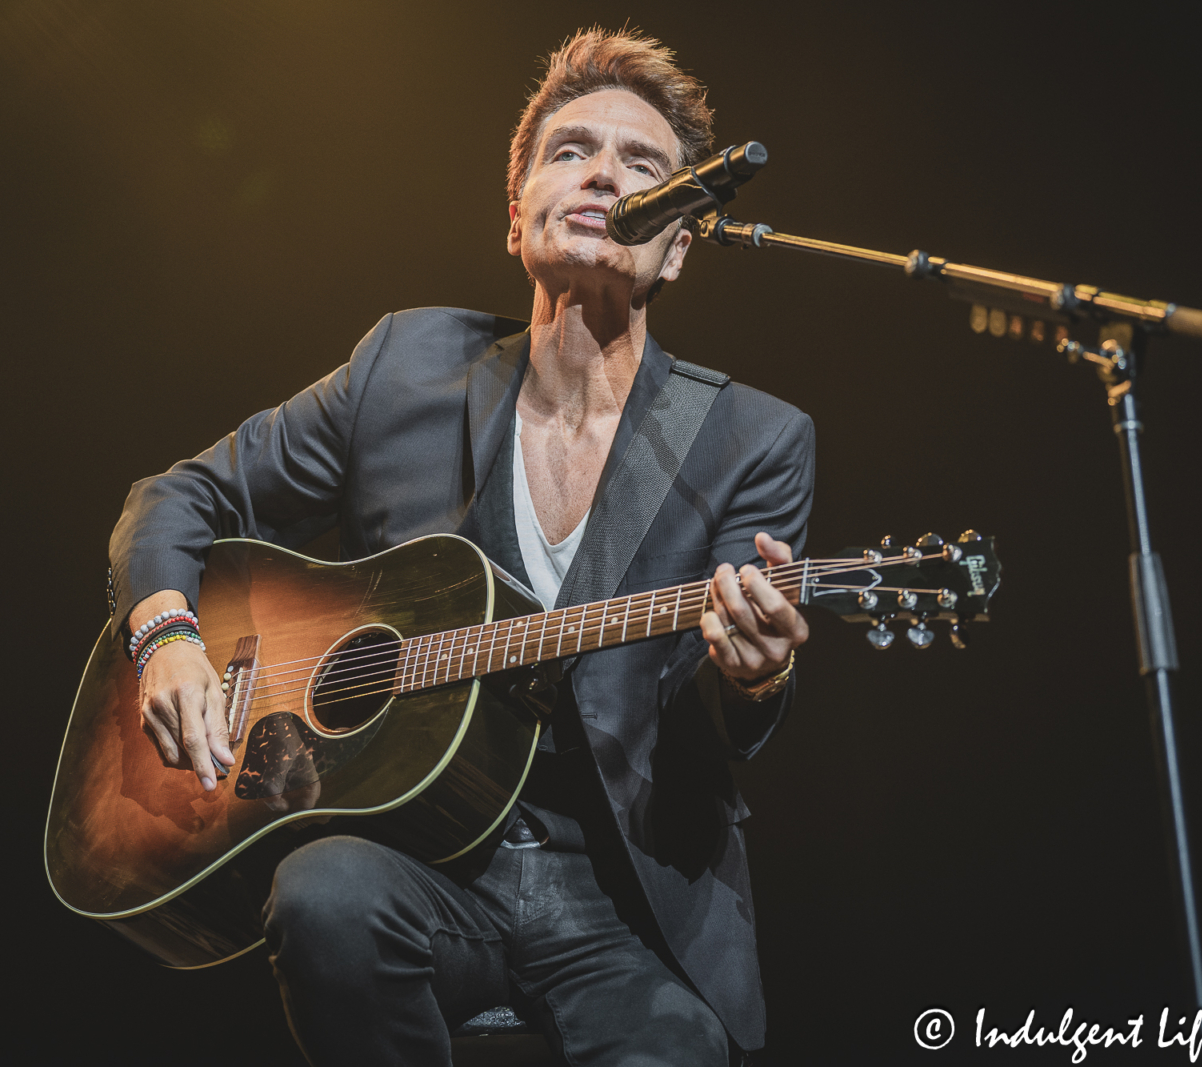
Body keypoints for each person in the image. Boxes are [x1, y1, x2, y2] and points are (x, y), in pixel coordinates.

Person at [108, 28, 815, 1066]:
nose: (603, 174)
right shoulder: (405, 366)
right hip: (420, 863)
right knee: (321, 891)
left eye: (642, 165)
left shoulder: (752, 437)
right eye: (570, 151)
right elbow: (176, 496)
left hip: (619, 902)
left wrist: (756, 678)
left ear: (679, 238)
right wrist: (166, 634)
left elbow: (712, 720)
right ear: (516, 211)